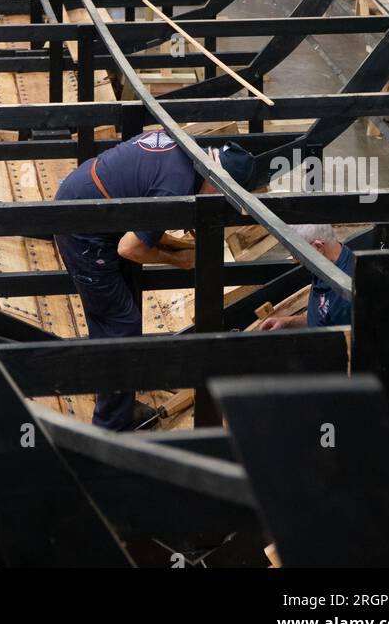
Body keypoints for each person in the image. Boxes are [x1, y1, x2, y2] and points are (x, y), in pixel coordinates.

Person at [54, 131, 257, 432]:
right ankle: (110, 427)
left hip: (89, 199)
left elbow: (145, 195)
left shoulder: (186, 147)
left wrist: (174, 238)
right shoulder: (174, 189)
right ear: (218, 183)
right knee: (121, 324)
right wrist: (178, 259)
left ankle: (115, 397)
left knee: (115, 314)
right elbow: (129, 248)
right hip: (83, 229)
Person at [258, 223, 354, 331]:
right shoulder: (325, 266)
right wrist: (288, 322)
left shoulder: (344, 300)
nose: (297, 261)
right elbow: (322, 322)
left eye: (298, 255)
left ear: (318, 248)